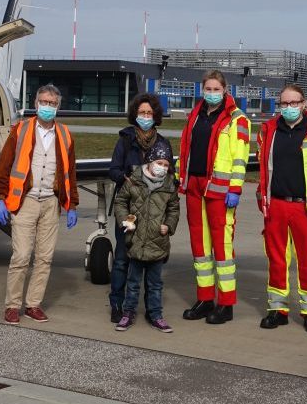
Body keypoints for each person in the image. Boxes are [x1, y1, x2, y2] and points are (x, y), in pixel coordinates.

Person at [0, 84, 79, 325]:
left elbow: (70, 172)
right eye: (43, 102)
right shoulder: (20, 130)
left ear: (58, 106)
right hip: (25, 201)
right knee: (20, 256)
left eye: (52, 103)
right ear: (35, 103)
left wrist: (72, 205)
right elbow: (4, 166)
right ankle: (12, 305)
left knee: (45, 258)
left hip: (51, 203)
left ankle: (33, 304)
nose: (47, 107)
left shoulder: (65, 134)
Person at [256, 84, 307, 333]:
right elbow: (262, 165)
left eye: (294, 103)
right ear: (279, 106)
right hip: (277, 205)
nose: (289, 108)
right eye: (284, 104)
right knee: (277, 260)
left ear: (304, 103)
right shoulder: (267, 131)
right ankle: (277, 310)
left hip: (304, 207)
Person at [176, 70, 251, 324]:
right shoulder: (195, 115)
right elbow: (185, 148)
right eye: (207, 89)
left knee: (222, 248)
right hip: (195, 187)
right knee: (200, 248)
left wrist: (235, 188)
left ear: (225, 90)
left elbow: (240, 158)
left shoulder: (237, 119)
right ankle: (205, 299)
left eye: (216, 89)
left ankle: (226, 304)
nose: (211, 93)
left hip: (220, 190)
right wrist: (182, 179)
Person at [107, 93, 168, 323]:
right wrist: (126, 177)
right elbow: (112, 169)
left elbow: (169, 173)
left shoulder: (162, 143)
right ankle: (117, 303)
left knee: (151, 260)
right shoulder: (124, 140)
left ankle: (150, 308)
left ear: (155, 116)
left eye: (149, 113)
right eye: (142, 113)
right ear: (135, 115)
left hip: (152, 210)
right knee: (123, 258)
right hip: (129, 208)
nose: (145, 116)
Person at [113, 138, 180, 333]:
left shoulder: (169, 185)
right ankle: (128, 313)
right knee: (133, 282)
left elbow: (174, 209)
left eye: (166, 165)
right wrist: (125, 220)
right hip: (135, 242)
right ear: (150, 162)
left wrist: (169, 225)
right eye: (159, 163)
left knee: (155, 284)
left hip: (157, 243)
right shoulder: (134, 179)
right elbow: (120, 201)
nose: (162, 167)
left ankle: (156, 315)